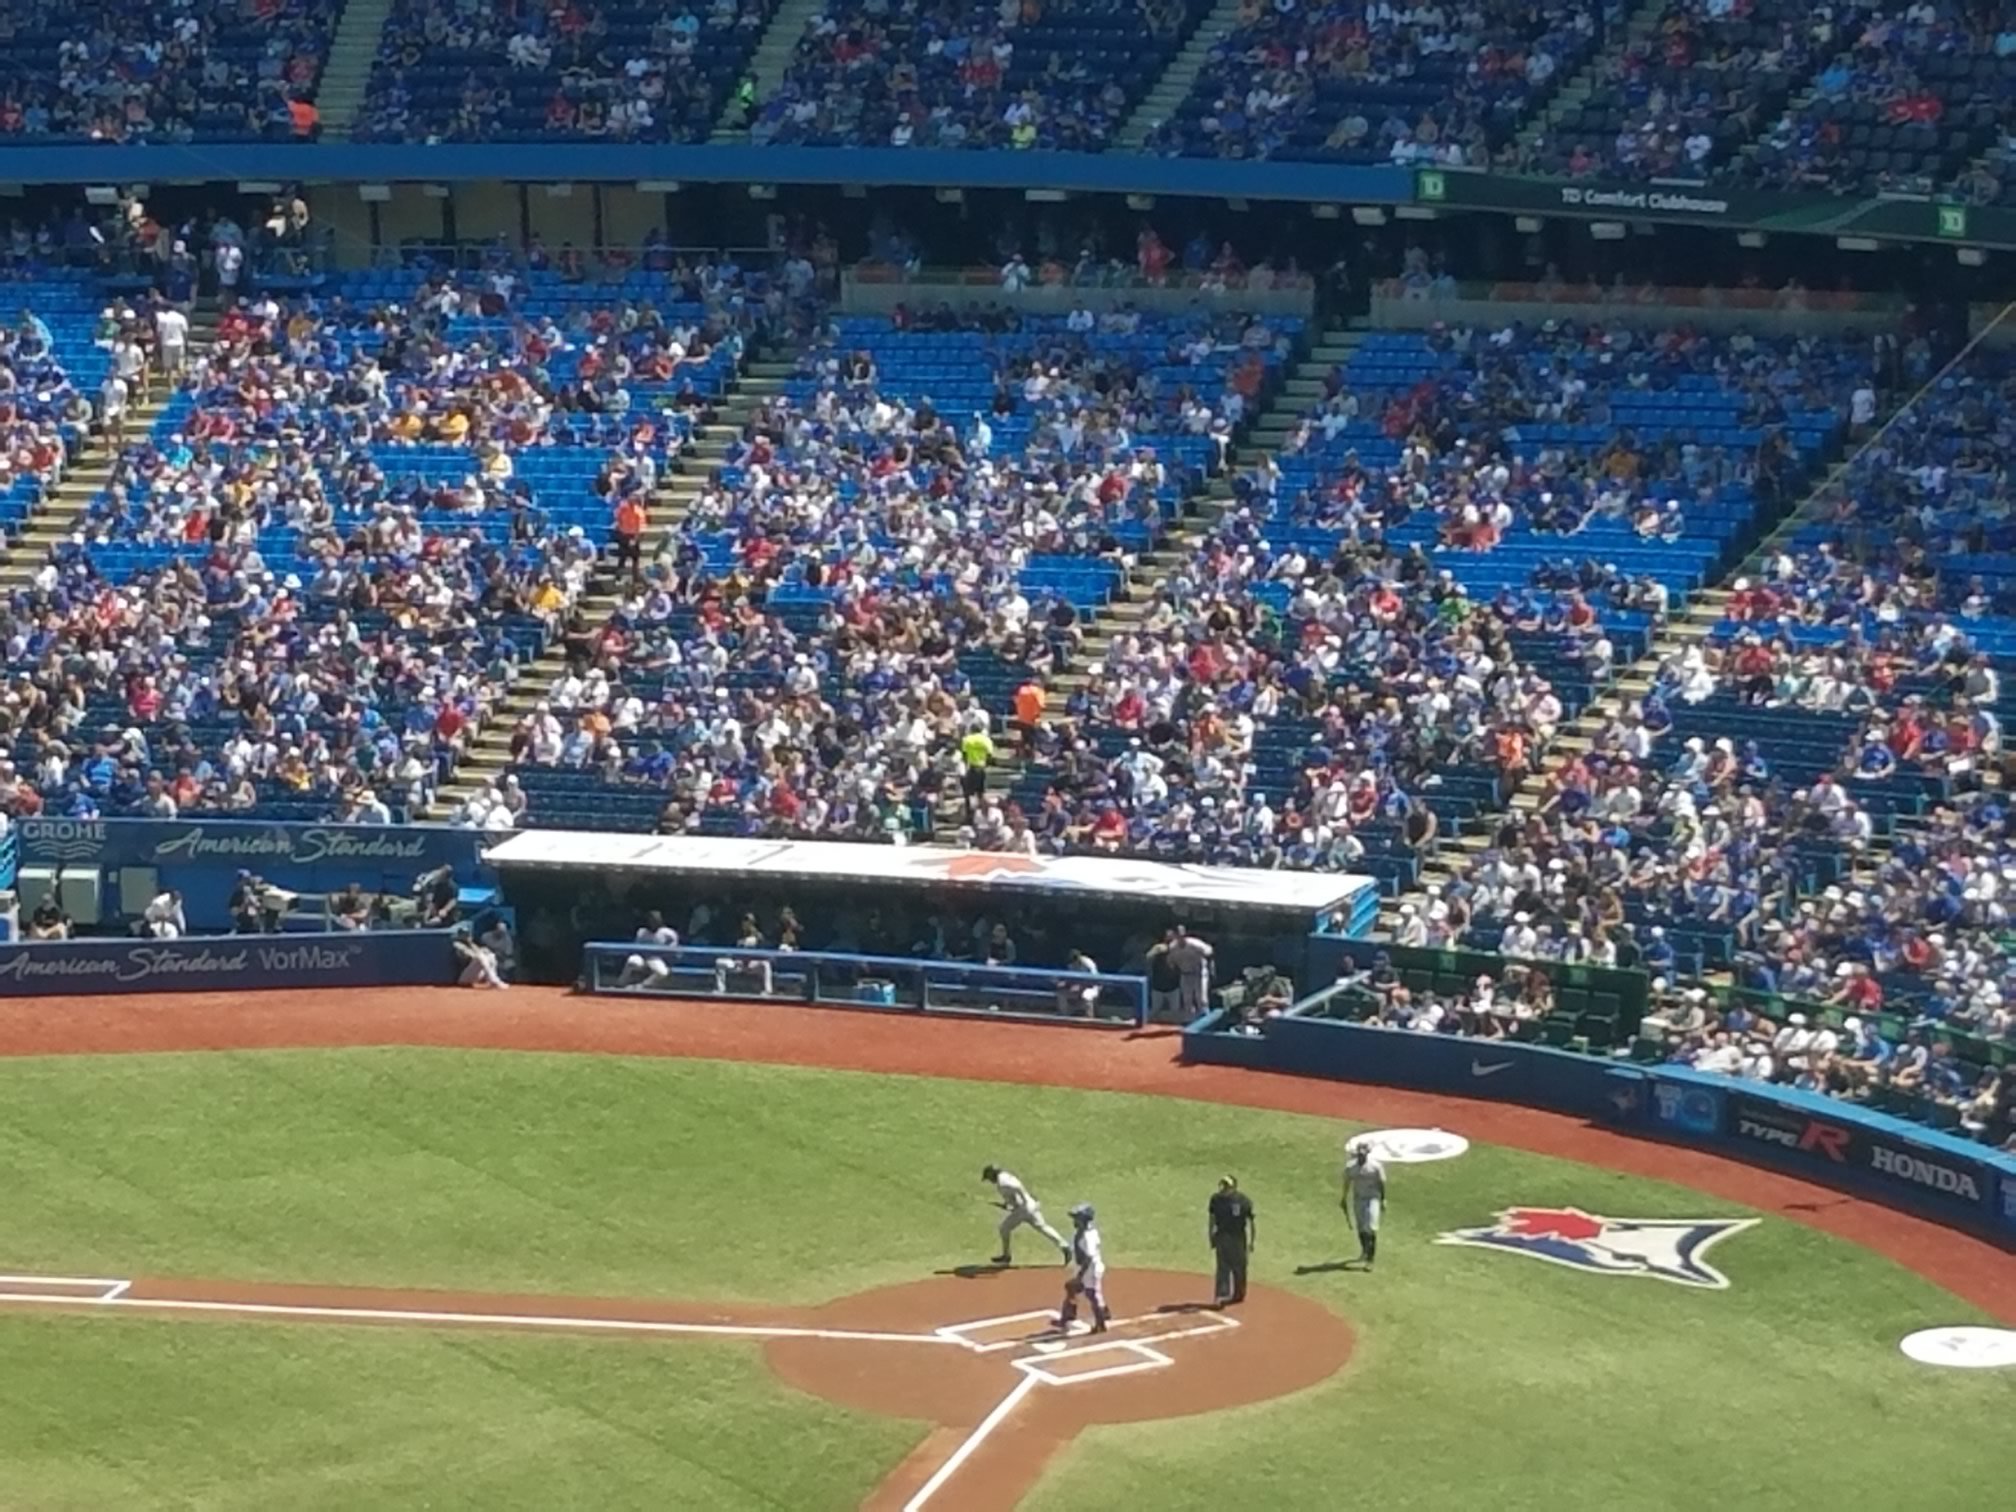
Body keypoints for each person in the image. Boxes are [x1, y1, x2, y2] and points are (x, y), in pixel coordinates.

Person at [981, 1164, 1071, 1265]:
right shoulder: (1006, 1176)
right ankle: (1065, 1246)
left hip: (1023, 1209)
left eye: (989, 1178)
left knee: (1004, 1228)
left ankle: (1006, 1256)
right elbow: (1015, 1193)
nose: (990, 1181)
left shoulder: (1002, 1183)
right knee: (1043, 1227)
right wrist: (1023, 1201)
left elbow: (1016, 1188)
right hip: (1030, 1205)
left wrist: (1023, 1200)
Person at [1056, 1202, 1110, 1334]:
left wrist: (1080, 1277)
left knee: (1091, 1295)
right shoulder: (1084, 1231)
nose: (1074, 1220)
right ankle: (1068, 1316)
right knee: (1071, 1288)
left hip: (1090, 1270)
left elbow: (1088, 1258)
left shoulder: (1088, 1237)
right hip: (1084, 1267)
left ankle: (1100, 1323)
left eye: (1077, 1218)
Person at [1208, 1175, 1256, 1307]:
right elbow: (1212, 1219)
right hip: (1222, 1236)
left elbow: (1251, 1222)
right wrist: (1211, 1235)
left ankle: (1239, 1293)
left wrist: (1252, 1241)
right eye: (1222, 1185)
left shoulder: (1243, 1201)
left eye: (1227, 1186)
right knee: (1223, 1267)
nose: (1223, 1188)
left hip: (1238, 1238)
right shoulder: (1216, 1200)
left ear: (1233, 1187)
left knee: (1239, 1267)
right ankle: (1221, 1295)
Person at [1342, 1143, 1387, 1271]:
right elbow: (1347, 1182)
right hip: (1358, 1200)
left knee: (1371, 1227)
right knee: (1361, 1227)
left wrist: (1383, 1199)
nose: (1361, 1156)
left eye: (1363, 1154)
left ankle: (1370, 1259)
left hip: (1372, 1199)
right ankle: (1364, 1250)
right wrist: (1344, 1198)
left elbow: (1381, 1183)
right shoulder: (1351, 1167)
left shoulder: (1375, 1166)